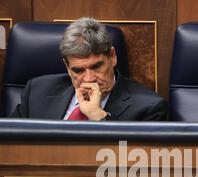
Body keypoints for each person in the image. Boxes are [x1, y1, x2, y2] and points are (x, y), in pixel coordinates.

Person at [11, 17, 168, 121]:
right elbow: (9, 144)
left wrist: (97, 115)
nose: (89, 79)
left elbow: (135, 163)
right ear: (67, 66)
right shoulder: (37, 92)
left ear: (112, 57)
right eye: (78, 71)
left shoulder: (149, 108)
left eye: (96, 66)